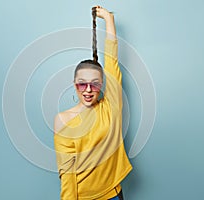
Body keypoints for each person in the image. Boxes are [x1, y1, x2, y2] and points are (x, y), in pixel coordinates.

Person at [54, 5, 132, 200]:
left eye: (94, 84)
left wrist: (109, 20)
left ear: (102, 85)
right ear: (74, 85)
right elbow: (67, 173)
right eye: (82, 84)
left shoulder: (110, 107)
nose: (88, 90)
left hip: (114, 194)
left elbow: (111, 61)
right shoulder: (63, 120)